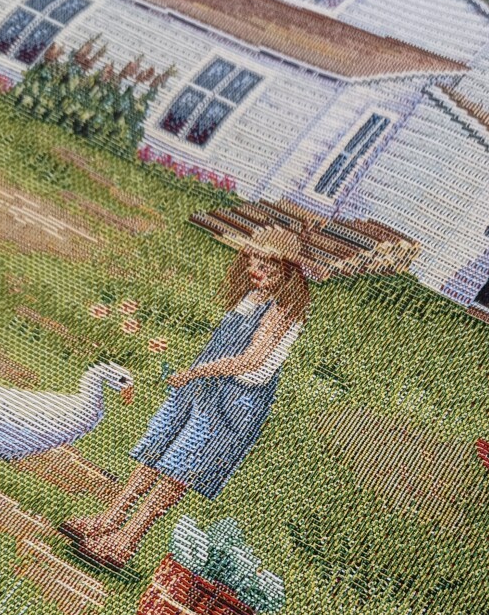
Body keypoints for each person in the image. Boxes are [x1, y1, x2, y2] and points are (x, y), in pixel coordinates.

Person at [62, 225, 311, 568]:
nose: (257, 269)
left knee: (179, 466)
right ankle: (110, 518)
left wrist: (195, 373)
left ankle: (125, 541)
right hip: (203, 384)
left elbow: (251, 360)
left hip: (233, 399)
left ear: (287, 272)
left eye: (268, 265)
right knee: (157, 448)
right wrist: (196, 376)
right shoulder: (251, 298)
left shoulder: (281, 311)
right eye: (253, 260)